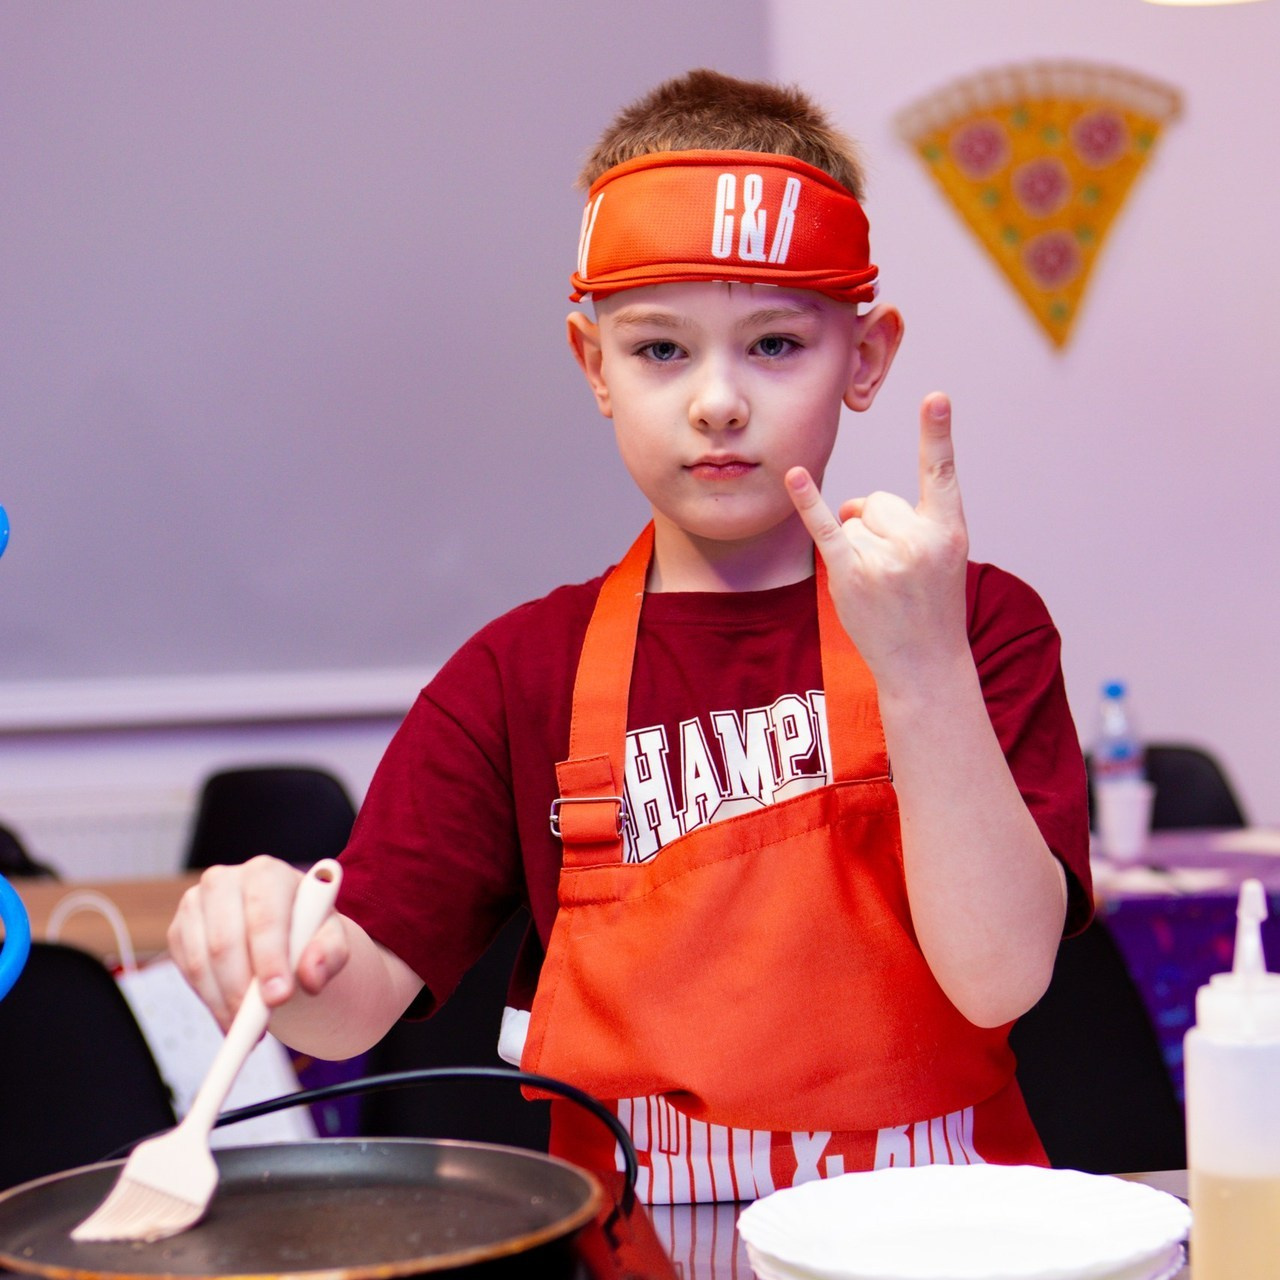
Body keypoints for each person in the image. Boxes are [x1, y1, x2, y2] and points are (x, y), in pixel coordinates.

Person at [168, 68, 1091, 1204]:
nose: (715, 401)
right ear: (589, 361)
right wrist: (269, 943)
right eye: (660, 349)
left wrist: (921, 665)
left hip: (946, 1225)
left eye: (773, 345)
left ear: (865, 356)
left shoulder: (979, 626)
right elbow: (350, 999)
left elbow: (1001, 976)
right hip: (637, 1236)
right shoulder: (519, 675)